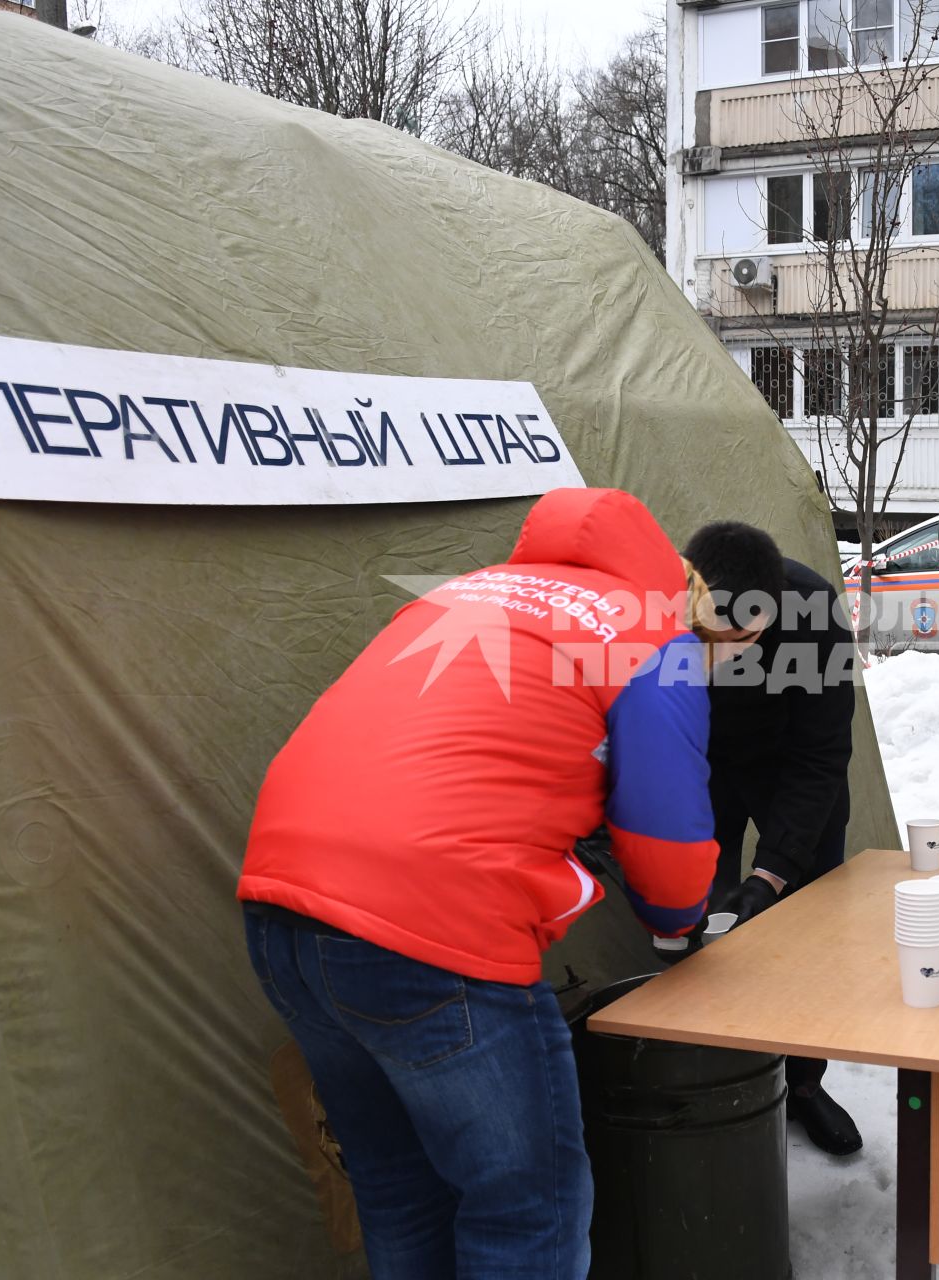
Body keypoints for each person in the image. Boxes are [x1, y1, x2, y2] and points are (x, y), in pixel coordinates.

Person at [236, 487, 724, 1278]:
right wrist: (680, 918)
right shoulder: (651, 635)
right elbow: (667, 837)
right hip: (435, 929)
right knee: (529, 1206)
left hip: (278, 907)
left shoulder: (460, 594)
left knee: (398, 1187)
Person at [683, 521, 863, 1155]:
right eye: (713, 639)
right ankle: (722, 1078)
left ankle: (805, 1083)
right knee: (699, 918)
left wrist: (773, 872)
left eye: (744, 639)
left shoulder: (815, 612)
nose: (727, 653)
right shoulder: (667, 605)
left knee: (808, 924)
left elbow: (821, 755)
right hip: (701, 763)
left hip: (792, 762)